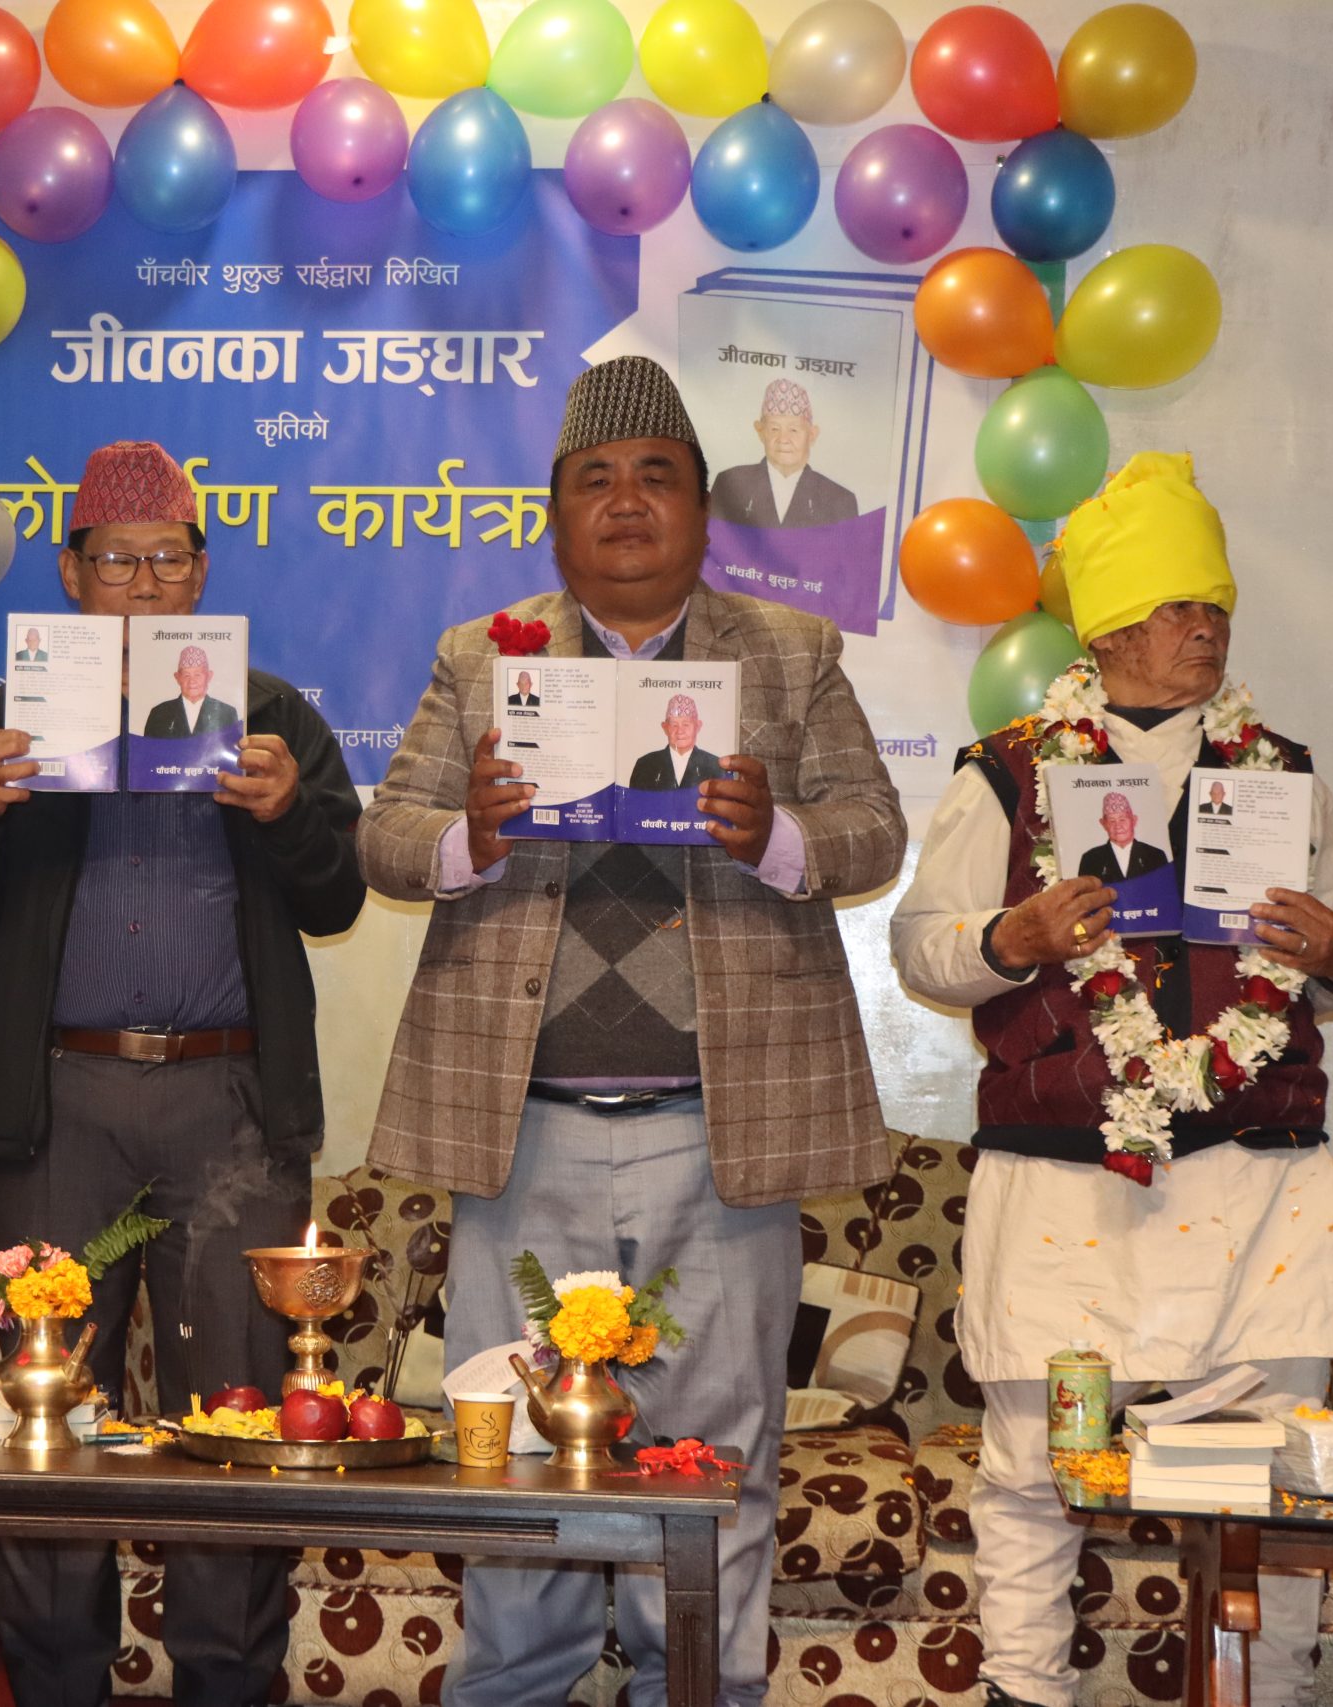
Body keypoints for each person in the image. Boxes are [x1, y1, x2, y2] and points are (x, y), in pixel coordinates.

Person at [358, 355, 904, 1707]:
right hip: (523, 1126)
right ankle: (515, 1688)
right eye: (593, 479)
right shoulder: (483, 654)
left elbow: (873, 829)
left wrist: (774, 833)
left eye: (655, 476)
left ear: (702, 511)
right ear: (555, 514)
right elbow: (384, 835)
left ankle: (698, 1689)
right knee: (513, 1448)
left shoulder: (790, 653)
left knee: (712, 1458)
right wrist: (470, 838)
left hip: (717, 1130)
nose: (624, 501)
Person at [890, 452, 1333, 1707]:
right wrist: (1012, 938)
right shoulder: (1006, 771)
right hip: (1065, 1190)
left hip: (1256, 1194)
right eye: (1177, 607)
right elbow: (922, 948)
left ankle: (1266, 1693)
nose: (1205, 626)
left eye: (1214, 606)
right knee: (1030, 1475)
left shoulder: (1282, 774)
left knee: (1275, 1483)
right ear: (1109, 629)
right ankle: (1024, 1692)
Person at [0, 441, 364, 1707]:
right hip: (61, 1105)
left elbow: (336, 898)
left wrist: (287, 815)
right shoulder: (9, 719)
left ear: (202, 575)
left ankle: (226, 1681)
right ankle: (58, 1682)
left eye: (170, 559)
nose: (146, 583)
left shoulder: (270, 718)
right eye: (117, 561)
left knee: (237, 1407)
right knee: (49, 1408)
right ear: (70, 575)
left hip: (231, 1107)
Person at [707, 377, 859, 530]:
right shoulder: (729, 484)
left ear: (812, 435)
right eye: (774, 429)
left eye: (793, 430)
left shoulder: (839, 500)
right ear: (761, 431)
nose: (783, 439)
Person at [623, 690, 726, 790]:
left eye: (686, 724)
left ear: (697, 726)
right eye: (674, 725)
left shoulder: (715, 766)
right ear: (665, 727)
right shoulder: (645, 765)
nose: (680, 731)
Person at [141, 642, 241, 738]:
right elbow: (147, 748)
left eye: (197, 675)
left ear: (209, 676)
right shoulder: (159, 713)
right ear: (177, 677)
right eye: (186, 675)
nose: (192, 681)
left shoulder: (226, 713)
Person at [1074, 788, 1165, 881]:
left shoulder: (1155, 856)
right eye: (1112, 821)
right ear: (1104, 824)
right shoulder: (1090, 859)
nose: (1118, 826)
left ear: (1134, 820)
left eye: (1122, 819)